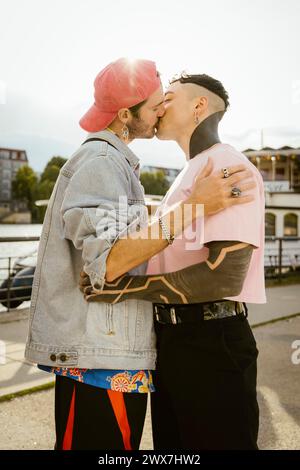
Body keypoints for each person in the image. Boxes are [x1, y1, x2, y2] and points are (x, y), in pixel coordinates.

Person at [24, 58, 256, 450]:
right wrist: (192, 207)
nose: (162, 109)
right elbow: (108, 264)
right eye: (155, 104)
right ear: (124, 114)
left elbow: (220, 273)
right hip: (100, 361)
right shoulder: (102, 162)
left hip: (125, 356)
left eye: (168, 100)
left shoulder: (150, 166)